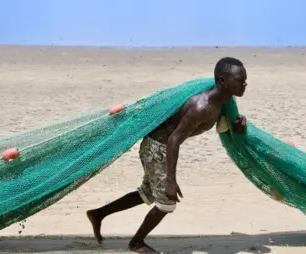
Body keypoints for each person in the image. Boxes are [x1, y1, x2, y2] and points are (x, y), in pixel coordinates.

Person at [86, 57, 248, 254]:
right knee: (166, 204)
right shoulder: (201, 107)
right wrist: (171, 180)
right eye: (240, 80)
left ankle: (98, 214)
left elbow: (228, 128)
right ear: (222, 81)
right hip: (159, 147)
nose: (244, 83)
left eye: (244, 79)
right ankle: (136, 242)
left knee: (148, 193)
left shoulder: (224, 103)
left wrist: (239, 126)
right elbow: (174, 139)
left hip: (159, 146)